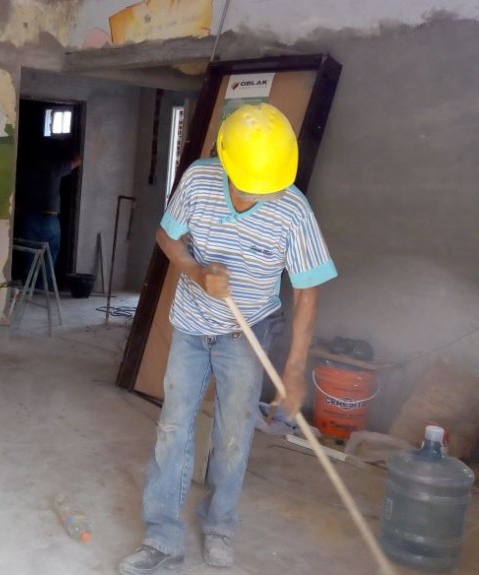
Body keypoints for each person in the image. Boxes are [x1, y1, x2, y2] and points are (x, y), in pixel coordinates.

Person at [119, 103, 337, 574]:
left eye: (264, 189)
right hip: (192, 324)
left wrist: (294, 371)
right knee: (173, 428)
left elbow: (307, 291)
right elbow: (167, 237)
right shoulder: (199, 180)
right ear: (225, 161)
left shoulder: (292, 209)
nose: (254, 196)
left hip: (248, 328)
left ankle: (219, 525)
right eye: (244, 186)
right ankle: (162, 538)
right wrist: (196, 271)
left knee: (234, 434)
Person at [16, 150, 81, 269]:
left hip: (28, 219)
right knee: (48, 262)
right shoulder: (54, 168)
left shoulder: (24, 169)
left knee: (29, 262)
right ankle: (43, 281)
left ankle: (30, 281)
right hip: (48, 219)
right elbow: (78, 160)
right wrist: (68, 148)